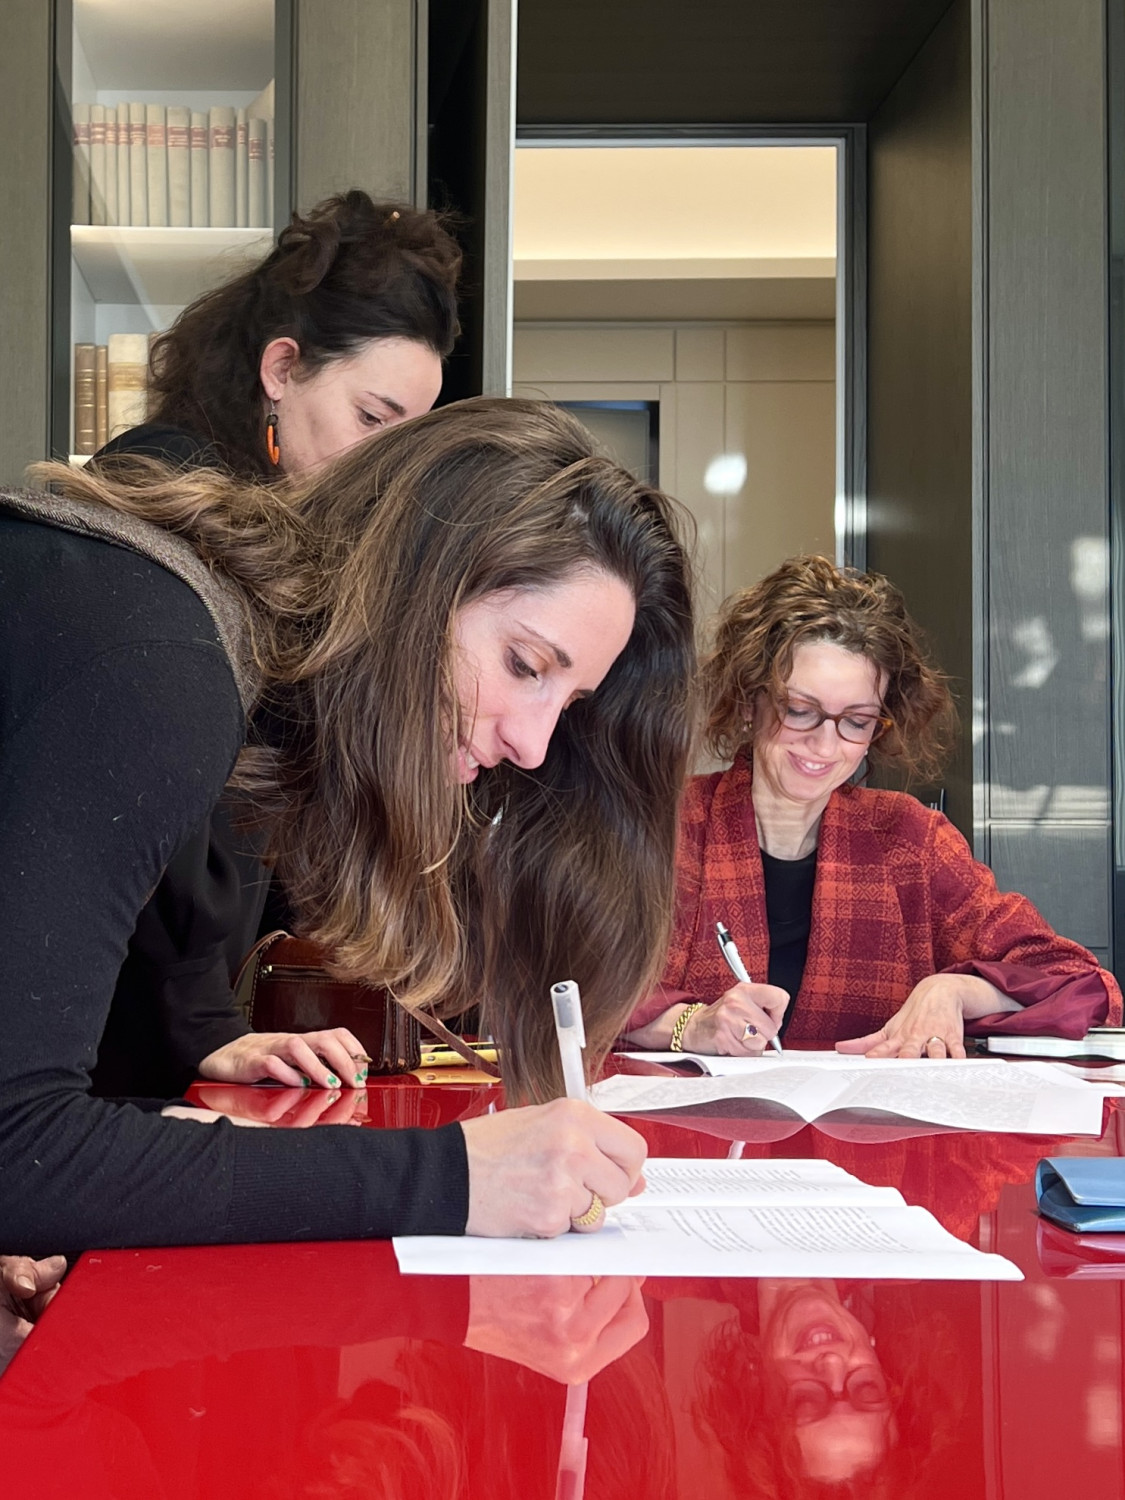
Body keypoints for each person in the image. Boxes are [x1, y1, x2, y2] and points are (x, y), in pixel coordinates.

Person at [0, 396, 695, 1255]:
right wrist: (454, 1177)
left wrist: (181, 1146)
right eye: (523, 664)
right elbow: (17, 1153)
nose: (532, 742)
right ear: (413, 576)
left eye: (570, 701)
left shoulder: (184, 641)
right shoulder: (159, 664)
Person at [89, 190, 462, 1099]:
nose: (384, 467)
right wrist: (204, 1022)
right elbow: (146, 780)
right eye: (371, 419)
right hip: (106, 1007)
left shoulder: (282, 521)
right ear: (282, 369)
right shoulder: (161, 495)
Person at [624, 555, 1121, 1058]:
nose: (825, 744)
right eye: (799, 710)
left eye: (857, 721)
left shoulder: (912, 841)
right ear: (751, 701)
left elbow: (1083, 986)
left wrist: (956, 991)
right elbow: (584, 984)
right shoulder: (663, 824)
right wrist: (690, 1024)